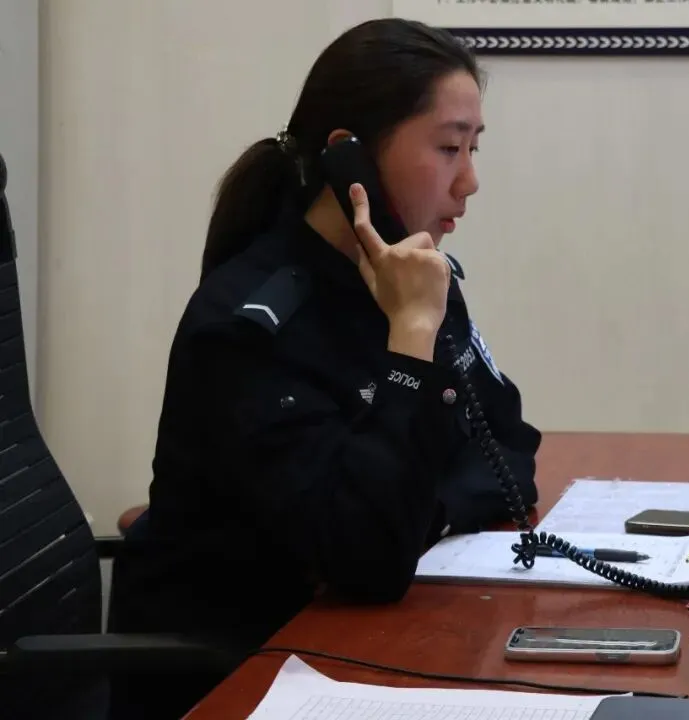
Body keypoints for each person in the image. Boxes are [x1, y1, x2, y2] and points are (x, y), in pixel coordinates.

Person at [107, 18, 541, 719]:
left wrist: (420, 517)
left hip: (355, 654)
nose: (469, 181)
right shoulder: (248, 329)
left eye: (473, 147)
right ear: (351, 158)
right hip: (238, 680)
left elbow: (512, 451)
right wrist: (410, 340)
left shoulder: (416, 279)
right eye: (448, 147)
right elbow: (370, 562)